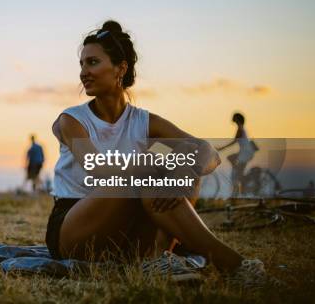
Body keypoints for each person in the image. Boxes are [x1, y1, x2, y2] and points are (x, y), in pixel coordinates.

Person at [45, 20, 270, 285]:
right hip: (76, 229)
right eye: (81, 64)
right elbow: (100, 169)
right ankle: (234, 265)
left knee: (187, 163)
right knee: (150, 170)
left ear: (120, 68)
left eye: (92, 62)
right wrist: (158, 165)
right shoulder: (71, 120)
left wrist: (183, 168)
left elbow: (208, 153)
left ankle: (156, 259)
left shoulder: (143, 121)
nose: (83, 72)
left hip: (129, 234)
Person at [216, 113, 257, 195]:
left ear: (238, 120)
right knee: (234, 165)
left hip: (245, 154)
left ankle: (240, 189)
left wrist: (222, 148)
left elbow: (234, 141)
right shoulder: (242, 129)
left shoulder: (240, 129)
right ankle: (241, 187)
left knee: (238, 173)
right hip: (245, 153)